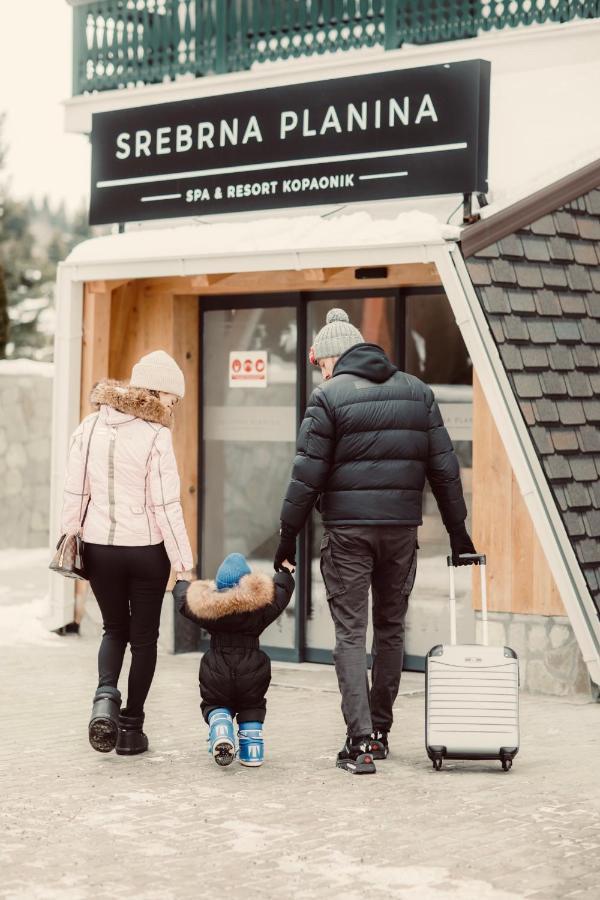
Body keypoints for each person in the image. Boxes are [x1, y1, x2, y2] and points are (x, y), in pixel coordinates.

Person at [274, 309, 476, 775]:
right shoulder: (417, 392)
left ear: (332, 359)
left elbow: (305, 479)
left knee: (350, 633)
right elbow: (445, 470)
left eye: (321, 364)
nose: (321, 373)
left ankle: (359, 742)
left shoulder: (329, 397)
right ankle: (381, 732)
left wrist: (287, 539)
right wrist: (459, 535)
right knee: (390, 629)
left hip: (347, 533)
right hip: (402, 532)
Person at [60, 350, 194, 756]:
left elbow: (74, 490)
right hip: (146, 552)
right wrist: (184, 563)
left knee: (113, 629)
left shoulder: (89, 427)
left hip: (100, 549)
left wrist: (70, 536)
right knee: (144, 640)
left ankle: (104, 699)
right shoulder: (156, 434)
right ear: (155, 390)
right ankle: (131, 730)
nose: (174, 406)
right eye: (172, 397)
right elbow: (165, 504)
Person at [173, 553, 295, 768]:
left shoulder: (209, 609)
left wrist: (182, 581)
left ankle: (220, 727)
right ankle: (252, 752)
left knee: (216, 703)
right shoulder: (260, 608)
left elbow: (184, 601)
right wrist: (284, 572)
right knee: (252, 705)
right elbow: (281, 593)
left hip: (216, 668)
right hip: (253, 669)